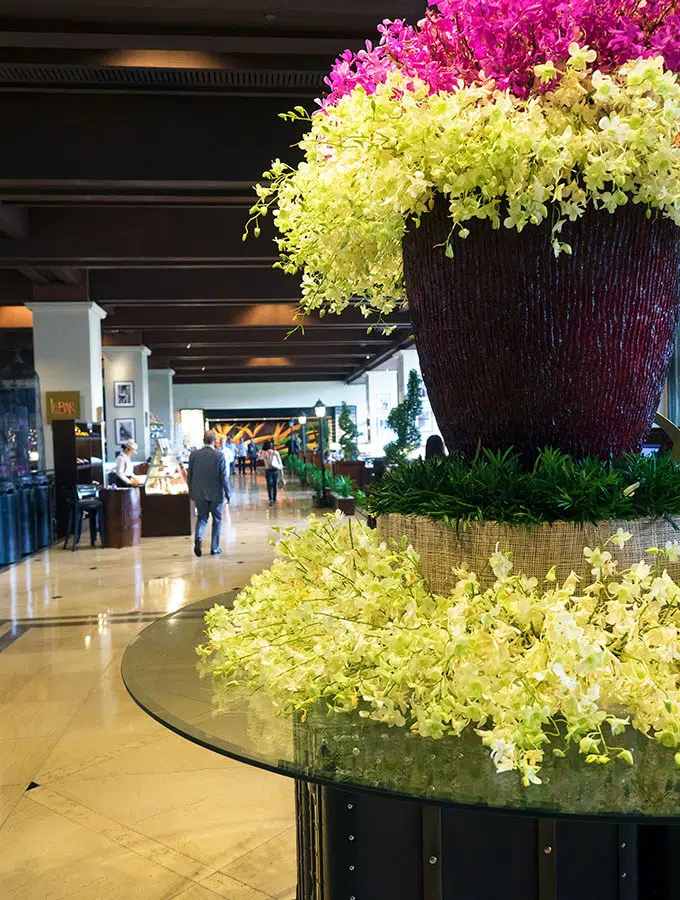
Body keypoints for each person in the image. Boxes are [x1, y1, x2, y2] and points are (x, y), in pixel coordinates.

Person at [187, 430, 231, 557]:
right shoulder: (219, 455)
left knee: (202, 518)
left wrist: (191, 491)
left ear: (203, 440)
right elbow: (224, 477)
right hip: (216, 494)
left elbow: (190, 475)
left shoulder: (194, 455)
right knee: (217, 520)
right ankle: (214, 548)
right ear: (215, 440)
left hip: (199, 493)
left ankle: (199, 538)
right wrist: (228, 493)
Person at [260, 440, 284, 505]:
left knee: (270, 484)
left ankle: (271, 499)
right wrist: (282, 471)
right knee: (274, 484)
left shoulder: (264, 453)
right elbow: (280, 462)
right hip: (275, 470)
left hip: (269, 470)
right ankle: (274, 499)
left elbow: (260, 459)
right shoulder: (274, 452)